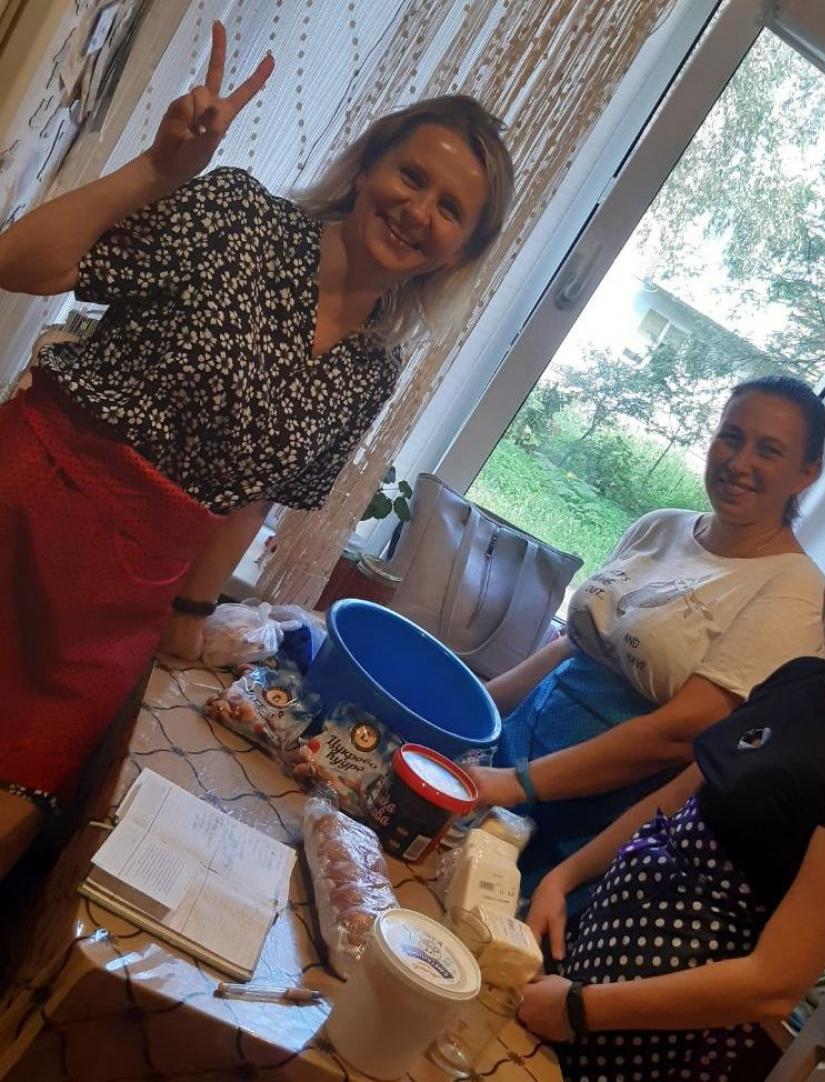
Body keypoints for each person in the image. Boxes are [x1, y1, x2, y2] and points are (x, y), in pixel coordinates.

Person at [0, 21, 514, 875]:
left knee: (25, 812)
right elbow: (21, 262)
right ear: (366, 168)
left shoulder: (371, 370)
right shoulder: (237, 215)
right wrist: (159, 170)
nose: (418, 211)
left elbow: (253, 495)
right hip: (28, 503)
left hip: (123, 600)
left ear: (462, 249)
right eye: (411, 176)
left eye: (450, 208)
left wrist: (188, 620)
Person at [516, 496, 825, 1082]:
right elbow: (676, 801)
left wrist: (580, 1010)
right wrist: (564, 879)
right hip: (586, 962)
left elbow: (773, 983)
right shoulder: (801, 680)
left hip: (649, 1039)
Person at [469, 376, 825, 898]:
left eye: (768, 451)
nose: (739, 462)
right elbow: (574, 646)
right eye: (731, 437)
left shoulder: (795, 589)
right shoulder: (660, 527)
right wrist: (472, 716)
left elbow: (678, 735)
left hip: (589, 818)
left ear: (807, 472)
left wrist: (520, 783)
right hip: (514, 752)